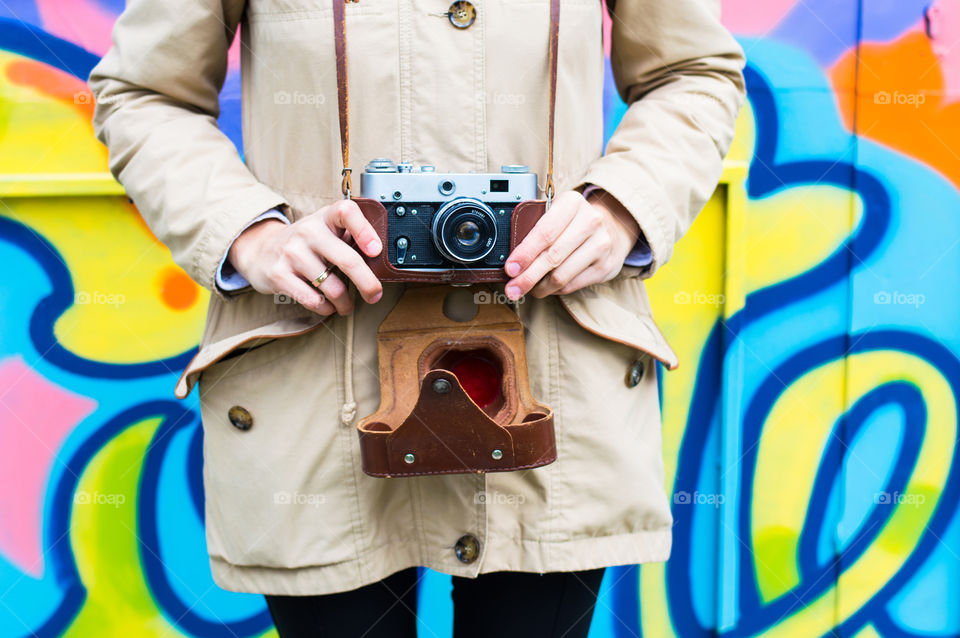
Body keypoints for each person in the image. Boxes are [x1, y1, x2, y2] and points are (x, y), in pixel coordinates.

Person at [89, 0, 744, 635]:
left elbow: (692, 72)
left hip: (552, 383)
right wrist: (249, 233)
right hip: (314, 392)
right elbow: (144, 92)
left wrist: (621, 208)